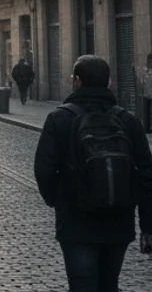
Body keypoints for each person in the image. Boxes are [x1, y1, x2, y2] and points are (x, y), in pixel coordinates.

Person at [34, 55, 152, 292]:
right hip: (118, 221)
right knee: (109, 285)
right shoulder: (129, 121)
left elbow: (44, 169)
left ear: (76, 81)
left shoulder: (60, 119)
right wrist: (148, 225)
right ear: (109, 83)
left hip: (76, 222)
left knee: (82, 285)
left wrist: (58, 200)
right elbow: (147, 174)